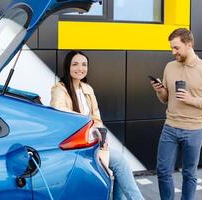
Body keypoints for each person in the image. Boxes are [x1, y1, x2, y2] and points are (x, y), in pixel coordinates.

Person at [50, 50, 144, 200]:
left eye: (84, 64)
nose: (80, 68)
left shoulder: (87, 89)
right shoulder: (59, 89)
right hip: (74, 145)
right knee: (120, 163)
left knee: (121, 164)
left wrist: (103, 138)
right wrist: (89, 124)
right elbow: (59, 111)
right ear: (68, 66)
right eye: (75, 64)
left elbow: (97, 118)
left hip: (92, 142)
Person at [151, 28, 202, 200]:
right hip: (170, 127)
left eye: (176, 48)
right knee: (163, 172)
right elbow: (165, 99)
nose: (173, 52)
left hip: (194, 130)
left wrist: (191, 99)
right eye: (171, 48)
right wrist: (159, 91)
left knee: (189, 174)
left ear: (189, 44)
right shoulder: (169, 67)